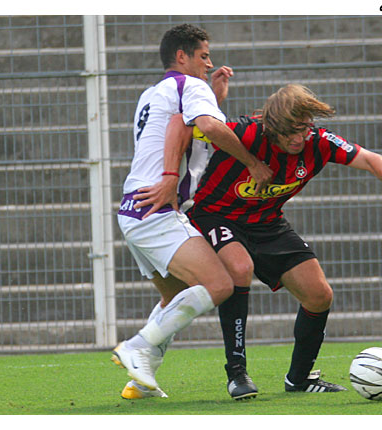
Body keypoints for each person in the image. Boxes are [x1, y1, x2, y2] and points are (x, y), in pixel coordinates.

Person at [131, 84, 382, 400]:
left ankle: (299, 379)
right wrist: (169, 177)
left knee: (319, 295)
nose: (297, 139)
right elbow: (182, 124)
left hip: (268, 223)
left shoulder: (319, 142)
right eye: (289, 132)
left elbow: (370, 158)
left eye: (303, 129)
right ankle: (237, 374)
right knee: (239, 268)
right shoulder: (246, 133)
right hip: (216, 216)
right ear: (271, 126)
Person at [112, 23, 273, 398]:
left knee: (176, 295)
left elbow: (186, 126)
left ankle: (141, 381)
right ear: (182, 56)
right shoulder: (190, 87)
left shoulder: (152, 93)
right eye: (204, 55)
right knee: (219, 284)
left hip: (134, 207)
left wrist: (213, 97)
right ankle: (136, 347)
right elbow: (201, 128)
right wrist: (253, 163)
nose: (209, 63)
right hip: (158, 208)